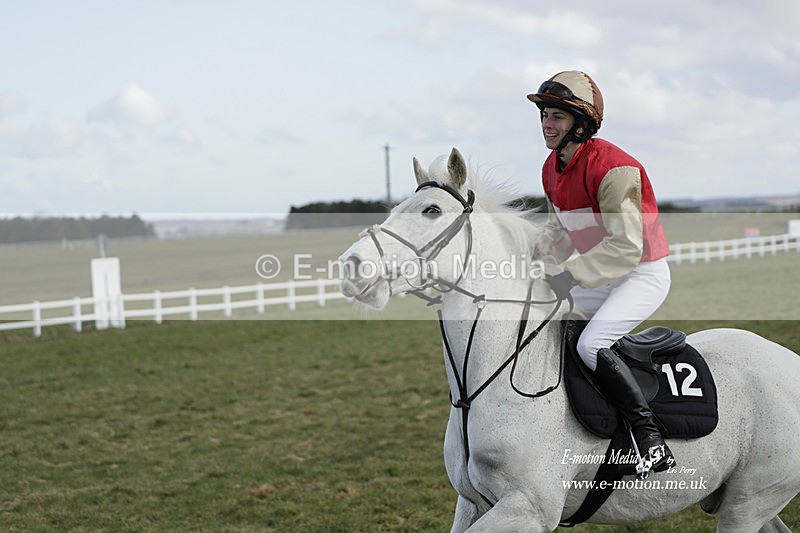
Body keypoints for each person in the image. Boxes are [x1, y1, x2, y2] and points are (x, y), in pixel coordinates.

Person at [527, 70, 675, 478]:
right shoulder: (550, 168)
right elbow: (566, 229)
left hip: (641, 274)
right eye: (544, 115)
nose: (547, 124)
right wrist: (536, 254)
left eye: (557, 116)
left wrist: (569, 276)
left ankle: (650, 439)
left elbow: (626, 246)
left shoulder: (615, 168)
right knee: (543, 315)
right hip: (600, 274)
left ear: (581, 122)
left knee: (591, 345)